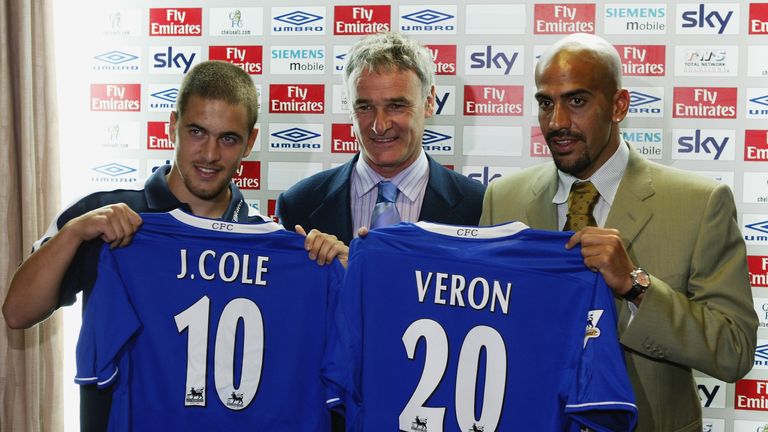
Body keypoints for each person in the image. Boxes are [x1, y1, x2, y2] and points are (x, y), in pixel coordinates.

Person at [2, 60, 346, 431]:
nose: (210, 154)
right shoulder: (104, 218)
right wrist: (73, 233)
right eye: (197, 132)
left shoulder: (275, 244)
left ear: (249, 143)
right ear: (172, 127)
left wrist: (340, 269)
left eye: (228, 138)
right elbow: (17, 313)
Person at [480, 33, 757, 431]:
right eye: (546, 103)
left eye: (577, 101)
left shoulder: (699, 204)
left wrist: (635, 286)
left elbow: (735, 350)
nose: (557, 122)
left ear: (619, 105)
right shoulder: (502, 199)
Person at [276, 32, 485, 244]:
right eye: (365, 107)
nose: (380, 125)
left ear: (429, 102)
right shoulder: (299, 203)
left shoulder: (478, 206)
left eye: (396, 106)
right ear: (349, 107)